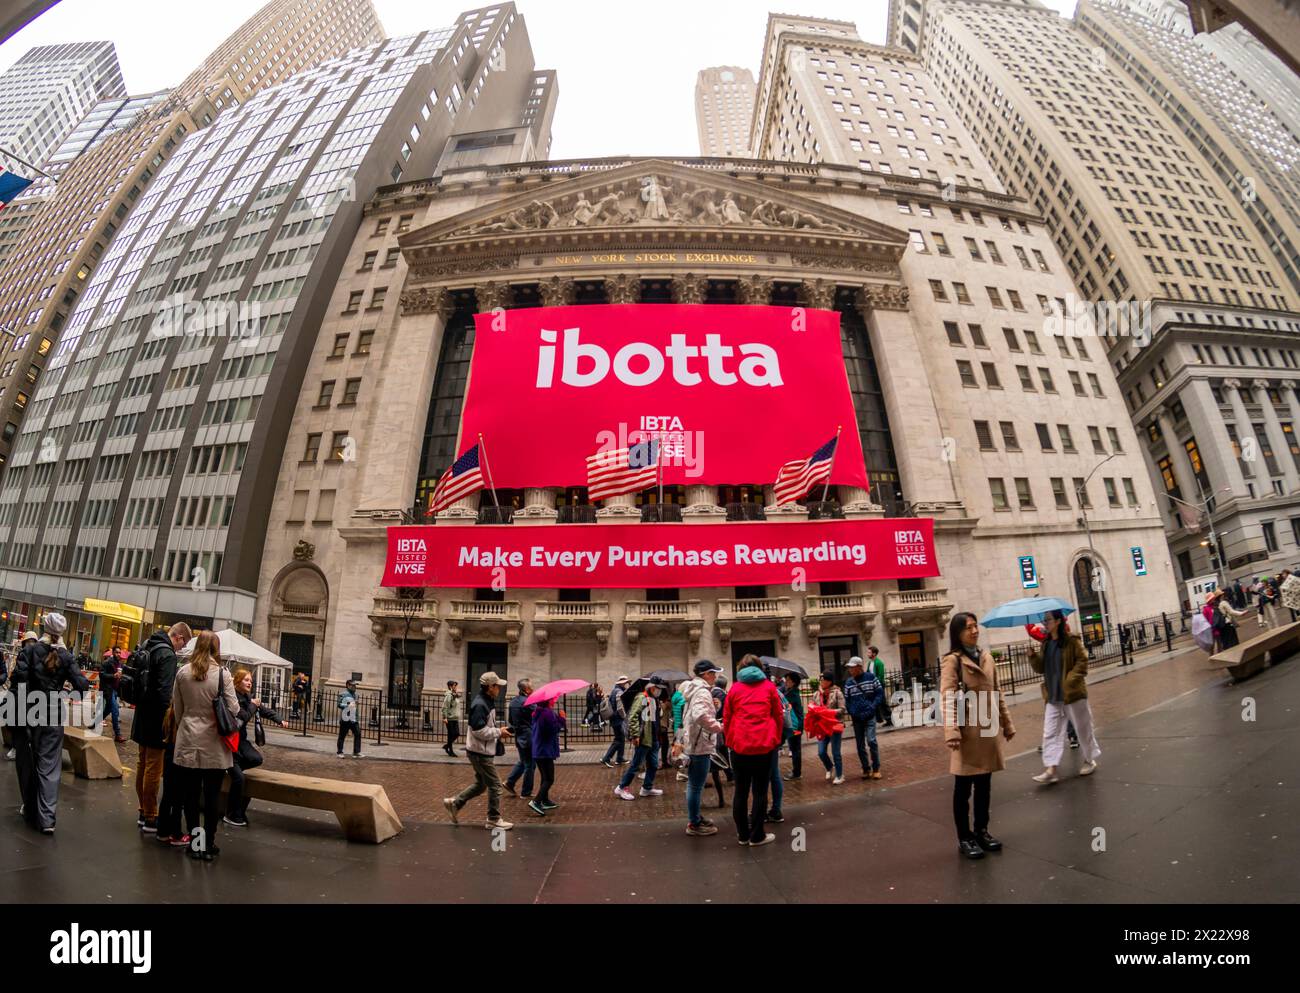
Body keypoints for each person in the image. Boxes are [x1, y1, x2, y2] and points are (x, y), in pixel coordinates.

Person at [942, 612, 1015, 860]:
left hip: (988, 729)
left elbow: (998, 692)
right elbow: (948, 697)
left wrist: (1007, 723)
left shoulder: (986, 657)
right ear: (958, 633)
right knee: (963, 789)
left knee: (984, 786)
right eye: (968, 628)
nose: (974, 631)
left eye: (975, 626)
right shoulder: (953, 661)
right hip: (967, 733)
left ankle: (981, 831)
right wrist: (951, 732)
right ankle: (964, 837)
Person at [10, 613, 89, 834]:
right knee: (49, 766)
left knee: (27, 763)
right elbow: (82, 685)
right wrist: (64, 694)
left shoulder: (30, 651)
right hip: (54, 714)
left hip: (30, 713)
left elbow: (19, 680)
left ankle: (30, 808)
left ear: (44, 628)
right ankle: (47, 819)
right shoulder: (66, 656)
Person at [170, 630, 240, 861]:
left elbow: (177, 710)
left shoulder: (182, 673)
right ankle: (208, 845)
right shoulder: (222, 675)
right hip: (214, 745)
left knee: (190, 796)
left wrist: (187, 726)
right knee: (211, 797)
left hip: (188, 739)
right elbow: (235, 709)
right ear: (216, 649)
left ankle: (196, 843)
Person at [130, 621, 191, 833]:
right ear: (179, 637)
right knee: (153, 768)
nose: (181, 649)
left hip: (142, 713)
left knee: (142, 763)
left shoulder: (149, 644)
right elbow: (165, 692)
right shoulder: (167, 654)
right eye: (183, 645)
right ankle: (150, 815)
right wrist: (169, 720)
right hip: (156, 718)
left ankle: (142, 809)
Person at [1028, 609, 1101, 785]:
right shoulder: (1046, 644)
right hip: (1053, 696)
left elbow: (1082, 662)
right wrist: (1033, 657)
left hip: (1073, 694)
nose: (1045, 623)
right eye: (1044, 620)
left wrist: (1069, 681)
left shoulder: (1072, 641)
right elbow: (1041, 668)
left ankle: (1089, 759)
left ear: (1058, 621)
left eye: (1048, 620)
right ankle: (1051, 769)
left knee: (1083, 729)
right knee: (1050, 732)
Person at [723, 655, 783, 847]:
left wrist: (730, 741)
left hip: (739, 746)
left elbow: (727, 718)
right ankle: (757, 836)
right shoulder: (769, 687)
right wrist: (776, 738)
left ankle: (742, 835)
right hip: (764, 745)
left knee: (740, 791)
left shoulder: (734, 689)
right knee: (759, 792)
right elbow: (778, 715)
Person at [443, 672, 513, 830]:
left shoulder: (486, 701)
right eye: (497, 686)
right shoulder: (481, 704)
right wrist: (498, 732)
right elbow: (478, 730)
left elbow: (482, 727)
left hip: (480, 751)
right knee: (495, 785)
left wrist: (498, 730)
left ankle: (455, 803)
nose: (499, 689)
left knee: (481, 784)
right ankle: (493, 819)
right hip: (480, 753)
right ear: (490, 687)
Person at [225, 667, 285, 827]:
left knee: (256, 758)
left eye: (251, 680)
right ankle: (232, 814)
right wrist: (253, 705)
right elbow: (243, 716)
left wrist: (279, 720)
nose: (249, 683)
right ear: (237, 681)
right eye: (246, 680)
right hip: (229, 744)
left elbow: (264, 710)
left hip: (240, 742)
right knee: (239, 779)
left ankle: (232, 768)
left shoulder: (247, 697)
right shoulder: (232, 697)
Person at [680, 659, 725, 837]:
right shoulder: (702, 692)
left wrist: (714, 707)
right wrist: (718, 726)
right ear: (706, 674)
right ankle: (694, 823)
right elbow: (700, 716)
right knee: (695, 786)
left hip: (694, 743)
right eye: (713, 673)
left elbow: (695, 713)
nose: (715, 676)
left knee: (694, 785)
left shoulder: (694, 690)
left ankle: (696, 817)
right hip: (700, 745)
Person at [613, 677, 667, 800]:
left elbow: (655, 717)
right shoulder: (641, 698)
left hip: (653, 738)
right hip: (644, 738)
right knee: (636, 765)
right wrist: (635, 735)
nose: (659, 691)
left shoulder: (654, 699)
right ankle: (622, 787)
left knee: (653, 764)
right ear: (653, 688)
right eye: (658, 689)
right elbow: (633, 717)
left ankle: (647, 788)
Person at [154, 706, 190, 848]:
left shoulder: (169, 712)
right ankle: (176, 834)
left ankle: (162, 831)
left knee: (168, 795)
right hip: (181, 757)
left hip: (169, 755)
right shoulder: (184, 715)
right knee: (179, 798)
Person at [844, 656, 883, 780]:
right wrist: (852, 711)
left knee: (871, 741)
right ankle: (866, 768)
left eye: (852, 667)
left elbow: (879, 693)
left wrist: (873, 706)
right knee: (860, 745)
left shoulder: (871, 678)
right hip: (857, 718)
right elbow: (847, 700)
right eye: (849, 668)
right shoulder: (849, 683)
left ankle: (876, 768)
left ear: (859, 667)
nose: (850, 670)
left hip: (870, 715)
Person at [528, 696, 565, 817]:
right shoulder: (547, 713)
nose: (554, 701)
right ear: (547, 701)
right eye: (552, 699)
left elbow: (548, 726)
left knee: (545, 777)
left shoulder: (538, 712)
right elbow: (553, 729)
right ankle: (536, 801)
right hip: (545, 750)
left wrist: (557, 717)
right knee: (549, 778)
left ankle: (545, 800)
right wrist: (562, 719)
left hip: (539, 749)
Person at [811, 670, 847, 784]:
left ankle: (840, 775)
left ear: (829, 681)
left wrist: (828, 712)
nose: (821, 681)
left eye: (823, 679)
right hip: (822, 726)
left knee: (836, 752)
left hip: (834, 725)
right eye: (820, 679)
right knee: (821, 752)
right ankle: (829, 767)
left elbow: (842, 709)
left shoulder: (837, 693)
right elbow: (813, 707)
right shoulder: (817, 694)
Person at [504, 678, 535, 798]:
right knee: (530, 765)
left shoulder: (513, 702)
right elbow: (536, 716)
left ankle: (510, 782)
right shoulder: (529, 702)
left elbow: (511, 721)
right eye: (531, 687)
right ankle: (526, 792)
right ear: (526, 689)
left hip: (518, 736)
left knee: (523, 761)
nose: (533, 689)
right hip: (528, 737)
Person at [600, 675, 630, 768]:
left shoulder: (614, 690)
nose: (627, 684)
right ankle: (606, 758)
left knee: (621, 739)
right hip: (618, 719)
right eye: (626, 683)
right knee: (618, 740)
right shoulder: (619, 692)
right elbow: (620, 708)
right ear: (622, 683)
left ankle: (620, 758)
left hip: (615, 719)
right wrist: (625, 717)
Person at [98, 649, 125, 742]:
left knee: (109, 708)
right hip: (108, 690)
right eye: (117, 652)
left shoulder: (120, 664)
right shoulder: (107, 662)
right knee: (115, 710)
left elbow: (120, 675)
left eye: (119, 652)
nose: (118, 654)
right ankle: (117, 734)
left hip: (115, 690)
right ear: (113, 653)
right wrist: (113, 676)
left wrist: (120, 676)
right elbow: (101, 674)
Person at [781, 673, 804, 781]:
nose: (786, 682)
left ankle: (797, 772)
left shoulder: (792, 694)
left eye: (788, 680)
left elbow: (781, 699)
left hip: (795, 726)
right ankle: (796, 771)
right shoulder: (791, 691)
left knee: (795, 749)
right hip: (795, 724)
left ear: (793, 682)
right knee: (794, 748)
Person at [336, 679, 362, 758]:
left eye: (355, 685)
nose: (354, 687)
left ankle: (356, 752)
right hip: (345, 718)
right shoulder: (342, 694)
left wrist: (357, 717)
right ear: (348, 685)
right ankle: (339, 752)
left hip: (354, 718)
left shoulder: (356, 695)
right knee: (342, 735)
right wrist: (348, 705)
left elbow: (355, 707)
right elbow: (339, 704)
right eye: (353, 685)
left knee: (358, 734)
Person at [866, 645, 892, 727]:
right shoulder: (870, 663)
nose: (867, 654)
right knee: (874, 702)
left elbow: (880, 676)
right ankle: (879, 718)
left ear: (874, 654)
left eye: (869, 652)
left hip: (878, 686)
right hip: (872, 686)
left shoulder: (879, 663)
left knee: (882, 702)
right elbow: (868, 673)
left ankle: (889, 719)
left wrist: (875, 685)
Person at [442, 679, 462, 756]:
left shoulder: (455, 695)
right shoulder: (449, 695)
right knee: (451, 734)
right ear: (450, 686)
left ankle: (447, 746)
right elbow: (445, 707)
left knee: (456, 733)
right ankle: (451, 751)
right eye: (454, 685)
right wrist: (445, 717)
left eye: (456, 685)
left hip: (455, 718)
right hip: (450, 718)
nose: (456, 687)